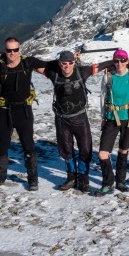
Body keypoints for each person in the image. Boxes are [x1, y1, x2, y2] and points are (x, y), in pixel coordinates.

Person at [38, 50, 99, 193]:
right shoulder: (54, 74)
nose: (66, 66)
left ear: (74, 62)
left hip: (80, 117)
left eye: (70, 63)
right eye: (63, 63)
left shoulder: (82, 72)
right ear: (59, 63)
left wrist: (123, 60)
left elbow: (104, 65)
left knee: (85, 148)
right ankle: (71, 177)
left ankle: (83, 178)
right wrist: (60, 61)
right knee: (65, 149)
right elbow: (37, 64)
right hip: (61, 119)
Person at [0, 37, 48, 190]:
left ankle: (33, 179)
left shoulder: (28, 62)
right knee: (1, 145)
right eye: (9, 50)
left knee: (28, 145)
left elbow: (51, 65)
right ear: (5, 51)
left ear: (20, 50)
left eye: (15, 50)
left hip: (24, 110)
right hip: (5, 110)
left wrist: (70, 60)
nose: (12, 53)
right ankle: (0, 176)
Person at [95, 49, 129, 196]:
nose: (120, 63)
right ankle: (107, 182)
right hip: (111, 118)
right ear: (113, 62)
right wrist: (102, 118)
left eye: (122, 60)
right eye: (117, 61)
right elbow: (102, 99)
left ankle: (120, 181)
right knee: (103, 154)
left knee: (123, 151)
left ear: (127, 61)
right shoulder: (108, 77)